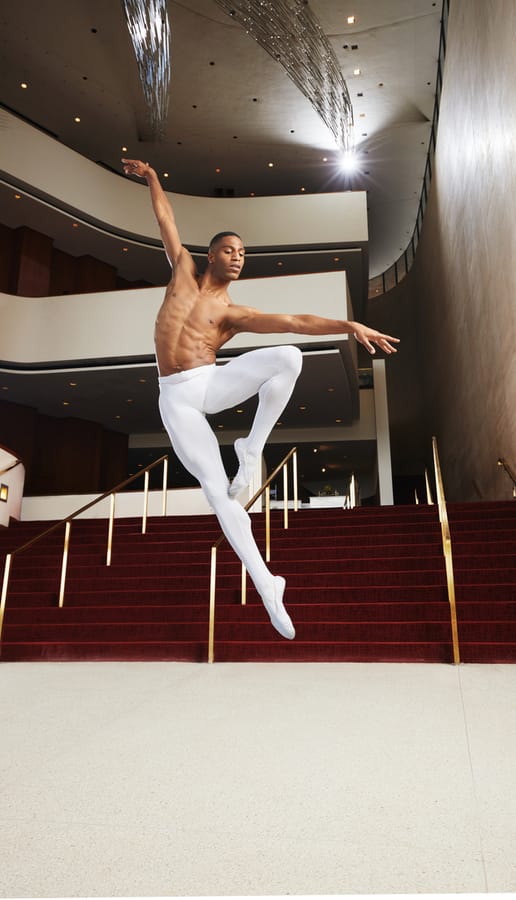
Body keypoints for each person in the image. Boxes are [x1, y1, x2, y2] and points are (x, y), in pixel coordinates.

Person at [122, 158, 400, 640]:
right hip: (176, 399)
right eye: (229, 250)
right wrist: (152, 176)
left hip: (210, 381)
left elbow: (296, 322)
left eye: (243, 253)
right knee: (218, 494)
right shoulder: (182, 271)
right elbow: (166, 219)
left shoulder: (234, 313)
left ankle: (251, 448)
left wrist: (348, 325)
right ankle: (267, 582)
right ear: (210, 255)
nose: (237, 257)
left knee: (289, 355)